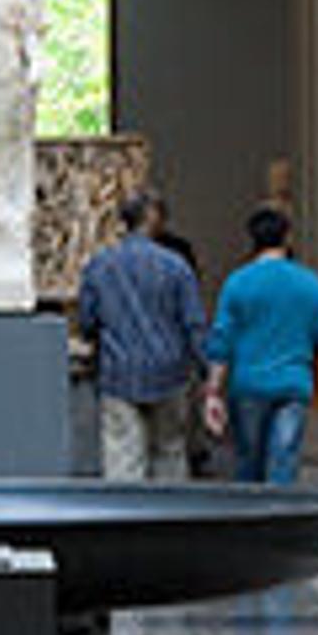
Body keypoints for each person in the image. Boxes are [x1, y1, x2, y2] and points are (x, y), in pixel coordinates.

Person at [202, 204, 318, 486]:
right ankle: (280, 520)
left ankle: (249, 522)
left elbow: (221, 341)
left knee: (248, 462)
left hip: (248, 385)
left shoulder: (238, 282)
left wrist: (213, 392)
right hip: (293, 383)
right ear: (287, 237)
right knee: (284, 460)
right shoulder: (310, 283)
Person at [75, 190, 207, 481]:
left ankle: (126, 521)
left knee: (122, 457)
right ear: (153, 218)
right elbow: (194, 322)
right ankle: (166, 519)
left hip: (118, 371)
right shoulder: (176, 267)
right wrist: (206, 371)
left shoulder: (100, 265)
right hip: (170, 372)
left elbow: (86, 320)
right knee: (169, 453)